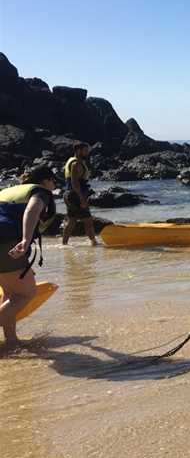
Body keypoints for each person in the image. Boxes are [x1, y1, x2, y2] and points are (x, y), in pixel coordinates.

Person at [0, 167, 58, 347]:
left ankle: (11, 341)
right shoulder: (41, 192)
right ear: (45, 181)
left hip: (4, 240)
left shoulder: (7, 191)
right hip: (6, 238)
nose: (55, 186)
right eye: (53, 181)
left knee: (10, 293)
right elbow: (32, 210)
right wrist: (25, 240)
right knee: (26, 293)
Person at [62, 142, 98, 246]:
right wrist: (82, 198)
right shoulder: (76, 163)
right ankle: (94, 243)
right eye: (85, 150)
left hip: (69, 195)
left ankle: (64, 244)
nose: (87, 153)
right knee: (88, 220)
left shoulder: (71, 161)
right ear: (78, 151)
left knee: (72, 220)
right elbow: (75, 182)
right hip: (75, 195)